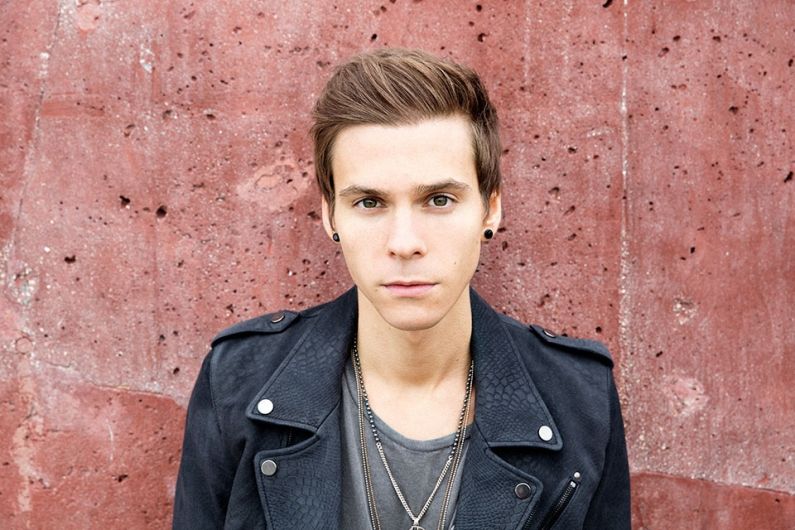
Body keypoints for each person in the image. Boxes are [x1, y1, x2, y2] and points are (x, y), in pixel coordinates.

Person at [173, 48, 630, 530]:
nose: (405, 243)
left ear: (490, 208)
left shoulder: (579, 399)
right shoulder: (239, 383)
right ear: (330, 215)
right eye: (370, 202)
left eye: (439, 199)